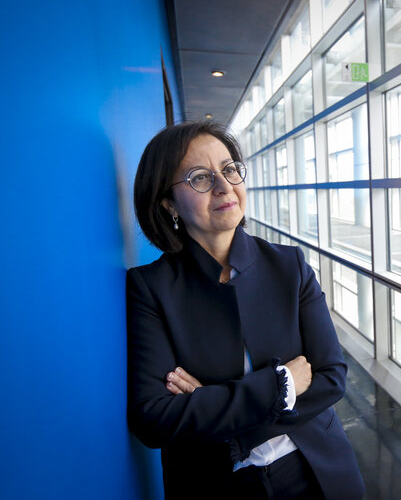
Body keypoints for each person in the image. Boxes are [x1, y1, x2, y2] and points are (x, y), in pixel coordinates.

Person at [126, 121, 365, 499]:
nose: (224, 186)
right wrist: (279, 385)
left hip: (316, 470)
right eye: (199, 177)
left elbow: (331, 377)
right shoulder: (150, 287)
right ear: (168, 202)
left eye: (230, 169)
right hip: (214, 484)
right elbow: (153, 418)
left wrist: (222, 412)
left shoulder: (289, 265)